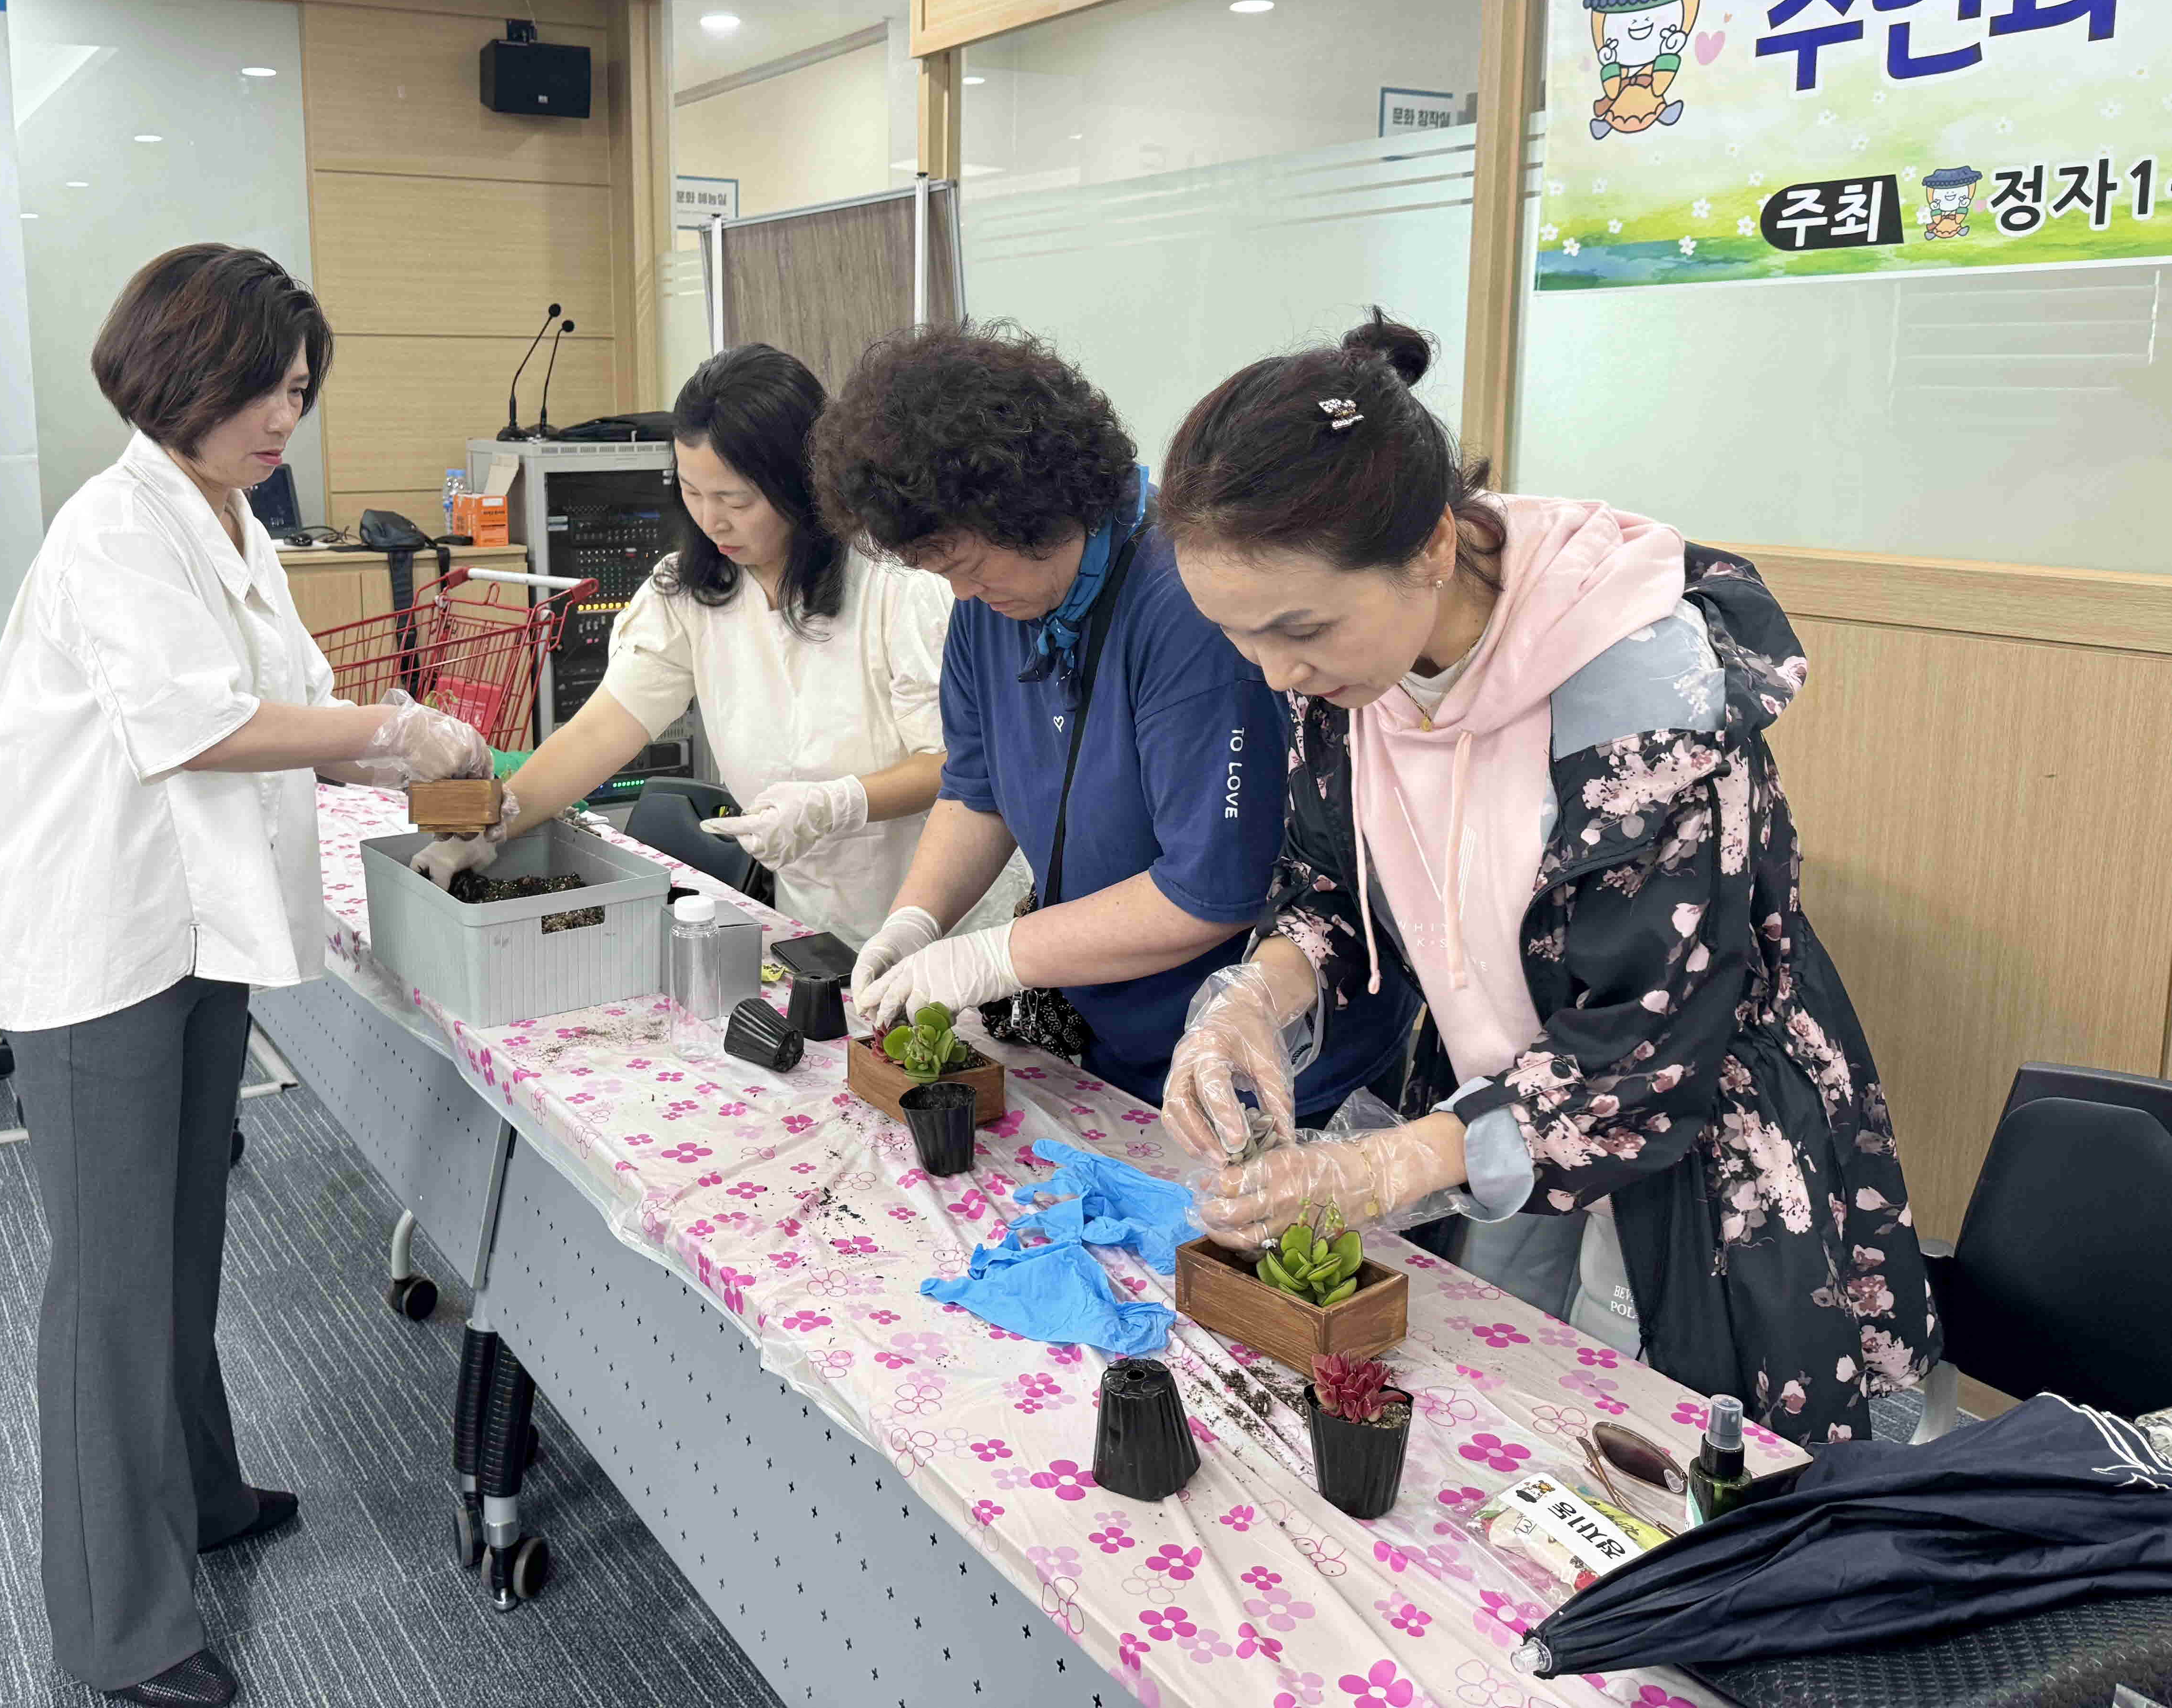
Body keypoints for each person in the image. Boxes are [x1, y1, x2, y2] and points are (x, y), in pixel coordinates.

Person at [1154, 311, 1938, 1444]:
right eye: (1239, 640)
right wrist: (1252, 1002)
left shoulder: (1638, 685)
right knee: (1487, 1403)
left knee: (1678, 1455)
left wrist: (1381, 1169)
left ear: (1429, 548)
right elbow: (1329, 888)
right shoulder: (1343, 675)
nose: (1276, 672)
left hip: (1693, 1124)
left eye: (1298, 630)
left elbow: (1648, 1040)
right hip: (1497, 1093)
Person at [0, 245, 490, 1707]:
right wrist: (388, 732)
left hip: (187, 932)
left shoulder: (222, 514)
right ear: (177, 377)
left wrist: (374, 732)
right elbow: (194, 724)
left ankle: (200, 1494)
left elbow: (274, 694)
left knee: (183, 1237)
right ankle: (120, 1627)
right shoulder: (113, 529)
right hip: (105, 946)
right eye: (262, 391)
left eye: (299, 393)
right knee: (112, 1288)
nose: (285, 420)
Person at [812, 322, 1419, 1109]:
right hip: (1107, 1038)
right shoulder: (996, 604)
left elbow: (1208, 889)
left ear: (1025, 507)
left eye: (962, 565)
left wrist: (995, 956)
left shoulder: (1191, 605)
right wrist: (916, 920)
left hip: (1264, 1052)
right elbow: (977, 788)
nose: (961, 594)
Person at [412, 343, 964, 943]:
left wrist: (839, 803)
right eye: (693, 494)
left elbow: (951, 764)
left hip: (939, 913)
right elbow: (600, 733)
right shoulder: (689, 593)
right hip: (810, 921)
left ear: (805, 485)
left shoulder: (896, 584)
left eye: (736, 500)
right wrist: (491, 827)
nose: (711, 521)